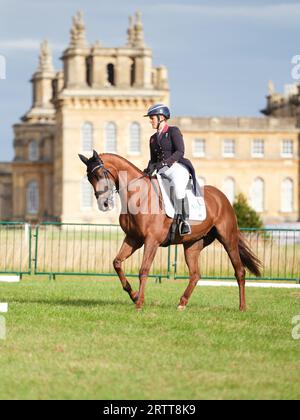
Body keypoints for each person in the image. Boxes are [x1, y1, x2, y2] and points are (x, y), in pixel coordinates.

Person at [143, 103, 199, 236]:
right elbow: (153, 159)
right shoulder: (152, 139)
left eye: (152, 118)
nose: (151, 121)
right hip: (162, 170)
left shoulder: (173, 131)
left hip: (176, 167)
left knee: (178, 188)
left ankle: (183, 221)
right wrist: (147, 170)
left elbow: (180, 151)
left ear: (161, 117)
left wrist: (165, 163)